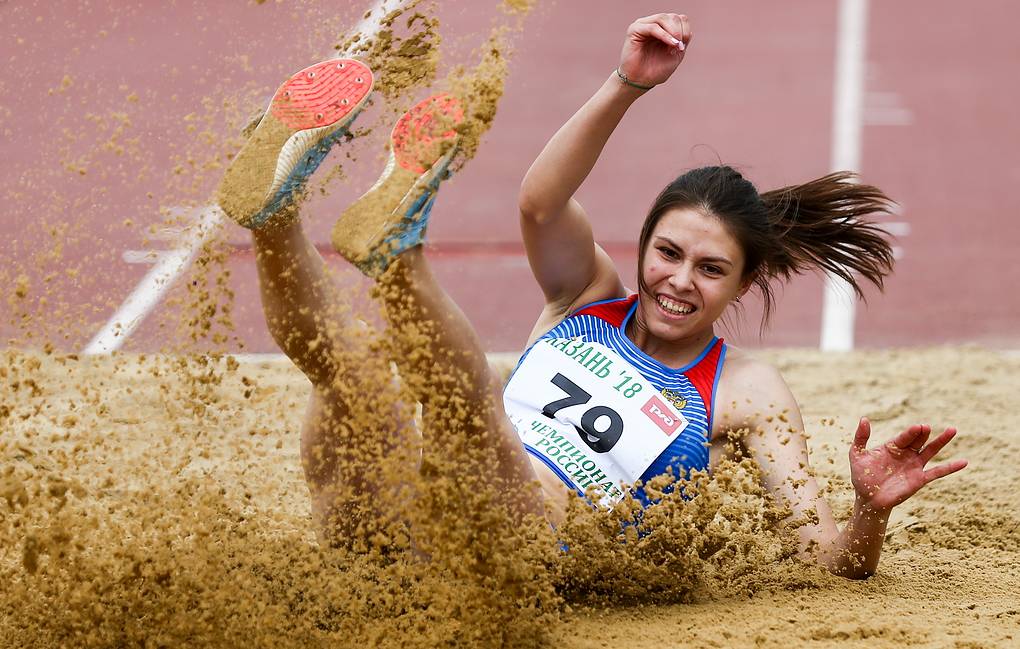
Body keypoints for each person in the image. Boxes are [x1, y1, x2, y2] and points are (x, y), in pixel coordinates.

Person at [217, 13, 967, 579]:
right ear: (641, 248)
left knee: (478, 414)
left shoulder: (745, 391)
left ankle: (399, 246)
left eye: (710, 269)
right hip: (389, 533)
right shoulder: (588, 296)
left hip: (513, 552)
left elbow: (822, 559)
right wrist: (627, 84)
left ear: (744, 283)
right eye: (668, 253)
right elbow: (542, 203)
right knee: (353, 375)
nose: (678, 279)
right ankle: (276, 213)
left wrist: (868, 511)